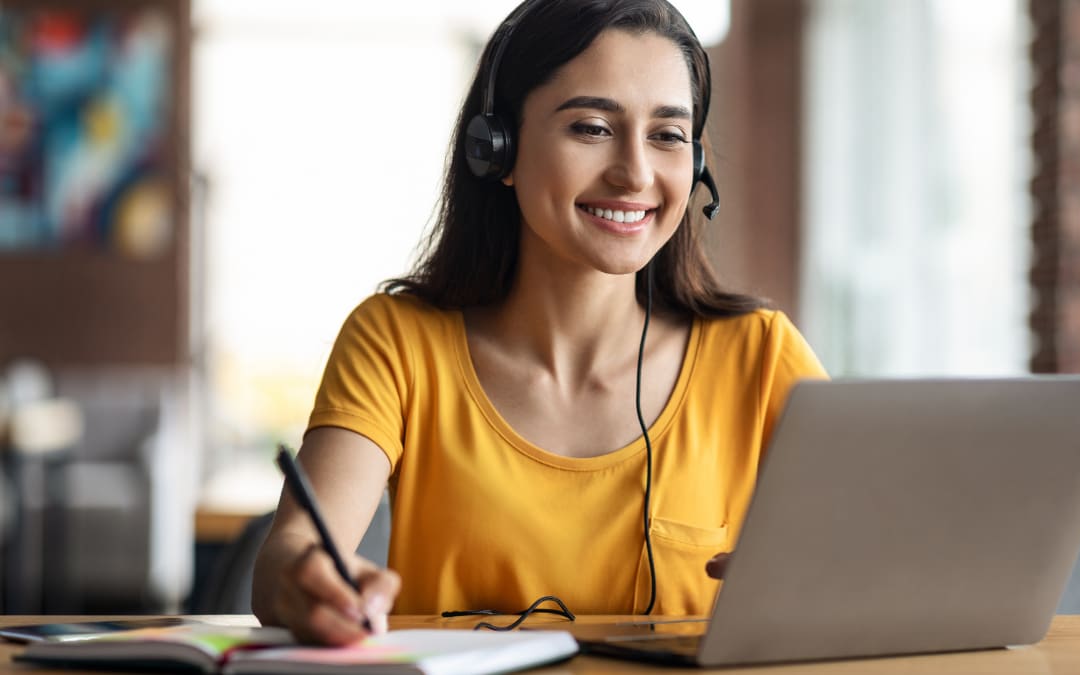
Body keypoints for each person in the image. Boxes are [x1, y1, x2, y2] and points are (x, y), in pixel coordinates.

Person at [251, 0, 826, 646]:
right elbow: (287, 557)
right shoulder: (398, 341)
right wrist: (310, 579)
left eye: (667, 134)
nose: (634, 172)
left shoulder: (759, 355)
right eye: (591, 127)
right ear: (496, 149)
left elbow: (882, 547)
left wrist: (829, 578)